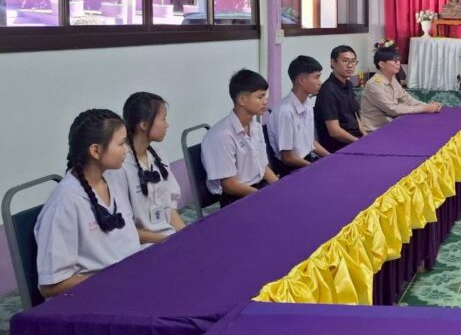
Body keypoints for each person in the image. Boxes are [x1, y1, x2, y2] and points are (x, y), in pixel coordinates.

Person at [34, 109, 141, 298]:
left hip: (131, 280)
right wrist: (111, 279)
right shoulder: (64, 203)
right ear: (96, 151)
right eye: (121, 143)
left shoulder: (114, 179)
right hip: (101, 295)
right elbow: (50, 286)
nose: (127, 149)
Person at [201, 69, 278, 206]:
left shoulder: (256, 127)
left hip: (258, 189)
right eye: (260, 97)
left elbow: (263, 167)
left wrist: (279, 188)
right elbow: (229, 185)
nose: (265, 101)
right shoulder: (221, 135)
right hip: (236, 198)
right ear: (242, 100)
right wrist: (264, 196)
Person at [118, 92, 185, 244]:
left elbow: (170, 209)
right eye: (163, 119)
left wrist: (185, 235)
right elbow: (125, 230)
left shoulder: (158, 156)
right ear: (143, 125)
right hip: (142, 246)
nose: (167, 125)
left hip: (168, 237)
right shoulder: (120, 166)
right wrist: (168, 240)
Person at [268, 55, 329, 172]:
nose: (320, 82)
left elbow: (310, 142)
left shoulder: (307, 103)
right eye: (316, 77)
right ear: (302, 81)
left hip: (307, 161)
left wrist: (330, 157)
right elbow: (287, 158)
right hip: (292, 168)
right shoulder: (285, 112)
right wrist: (314, 168)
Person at [360, 47, 441, 132]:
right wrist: (424, 108)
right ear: (382, 64)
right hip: (376, 130)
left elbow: (407, 100)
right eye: (395, 61)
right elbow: (392, 109)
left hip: (390, 125)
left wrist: (430, 106)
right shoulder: (374, 84)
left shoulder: (392, 79)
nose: (398, 63)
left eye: (398, 60)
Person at [315, 45, 364, 152]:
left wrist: (366, 137)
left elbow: (355, 117)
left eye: (353, 61)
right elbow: (334, 131)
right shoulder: (328, 90)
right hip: (339, 146)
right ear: (333, 62)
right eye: (345, 61)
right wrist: (359, 142)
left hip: (355, 139)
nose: (350, 65)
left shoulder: (349, 84)